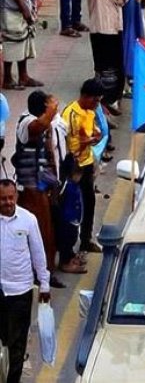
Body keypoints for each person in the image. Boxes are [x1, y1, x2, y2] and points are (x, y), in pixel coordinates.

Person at [0, 175, 51, 383]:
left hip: (21, 291)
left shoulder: (28, 220)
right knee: (4, 338)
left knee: (17, 344)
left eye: (11, 198)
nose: (8, 202)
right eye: (3, 199)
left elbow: (38, 253)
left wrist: (44, 283)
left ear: (16, 196)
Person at [12, 90, 61, 284]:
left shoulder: (37, 121)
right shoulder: (28, 122)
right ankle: (43, 273)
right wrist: (51, 109)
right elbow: (39, 126)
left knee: (47, 228)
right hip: (30, 186)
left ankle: (45, 270)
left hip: (40, 182)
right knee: (42, 230)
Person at [87, 0, 136, 112]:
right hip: (102, 31)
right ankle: (102, 107)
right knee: (106, 72)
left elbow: (120, 0)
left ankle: (110, 103)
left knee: (117, 70)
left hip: (115, 29)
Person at [61, 78, 105, 257]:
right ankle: (67, 249)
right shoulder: (71, 114)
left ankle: (86, 240)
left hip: (87, 163)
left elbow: (92, 132)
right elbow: (72, 145)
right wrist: (89, 140)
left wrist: (95, 136)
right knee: (72, 205)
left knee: (89, 202)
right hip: (74, 167)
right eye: (95, 100)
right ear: (86, 96)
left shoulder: (90, 112)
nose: (97, 104)